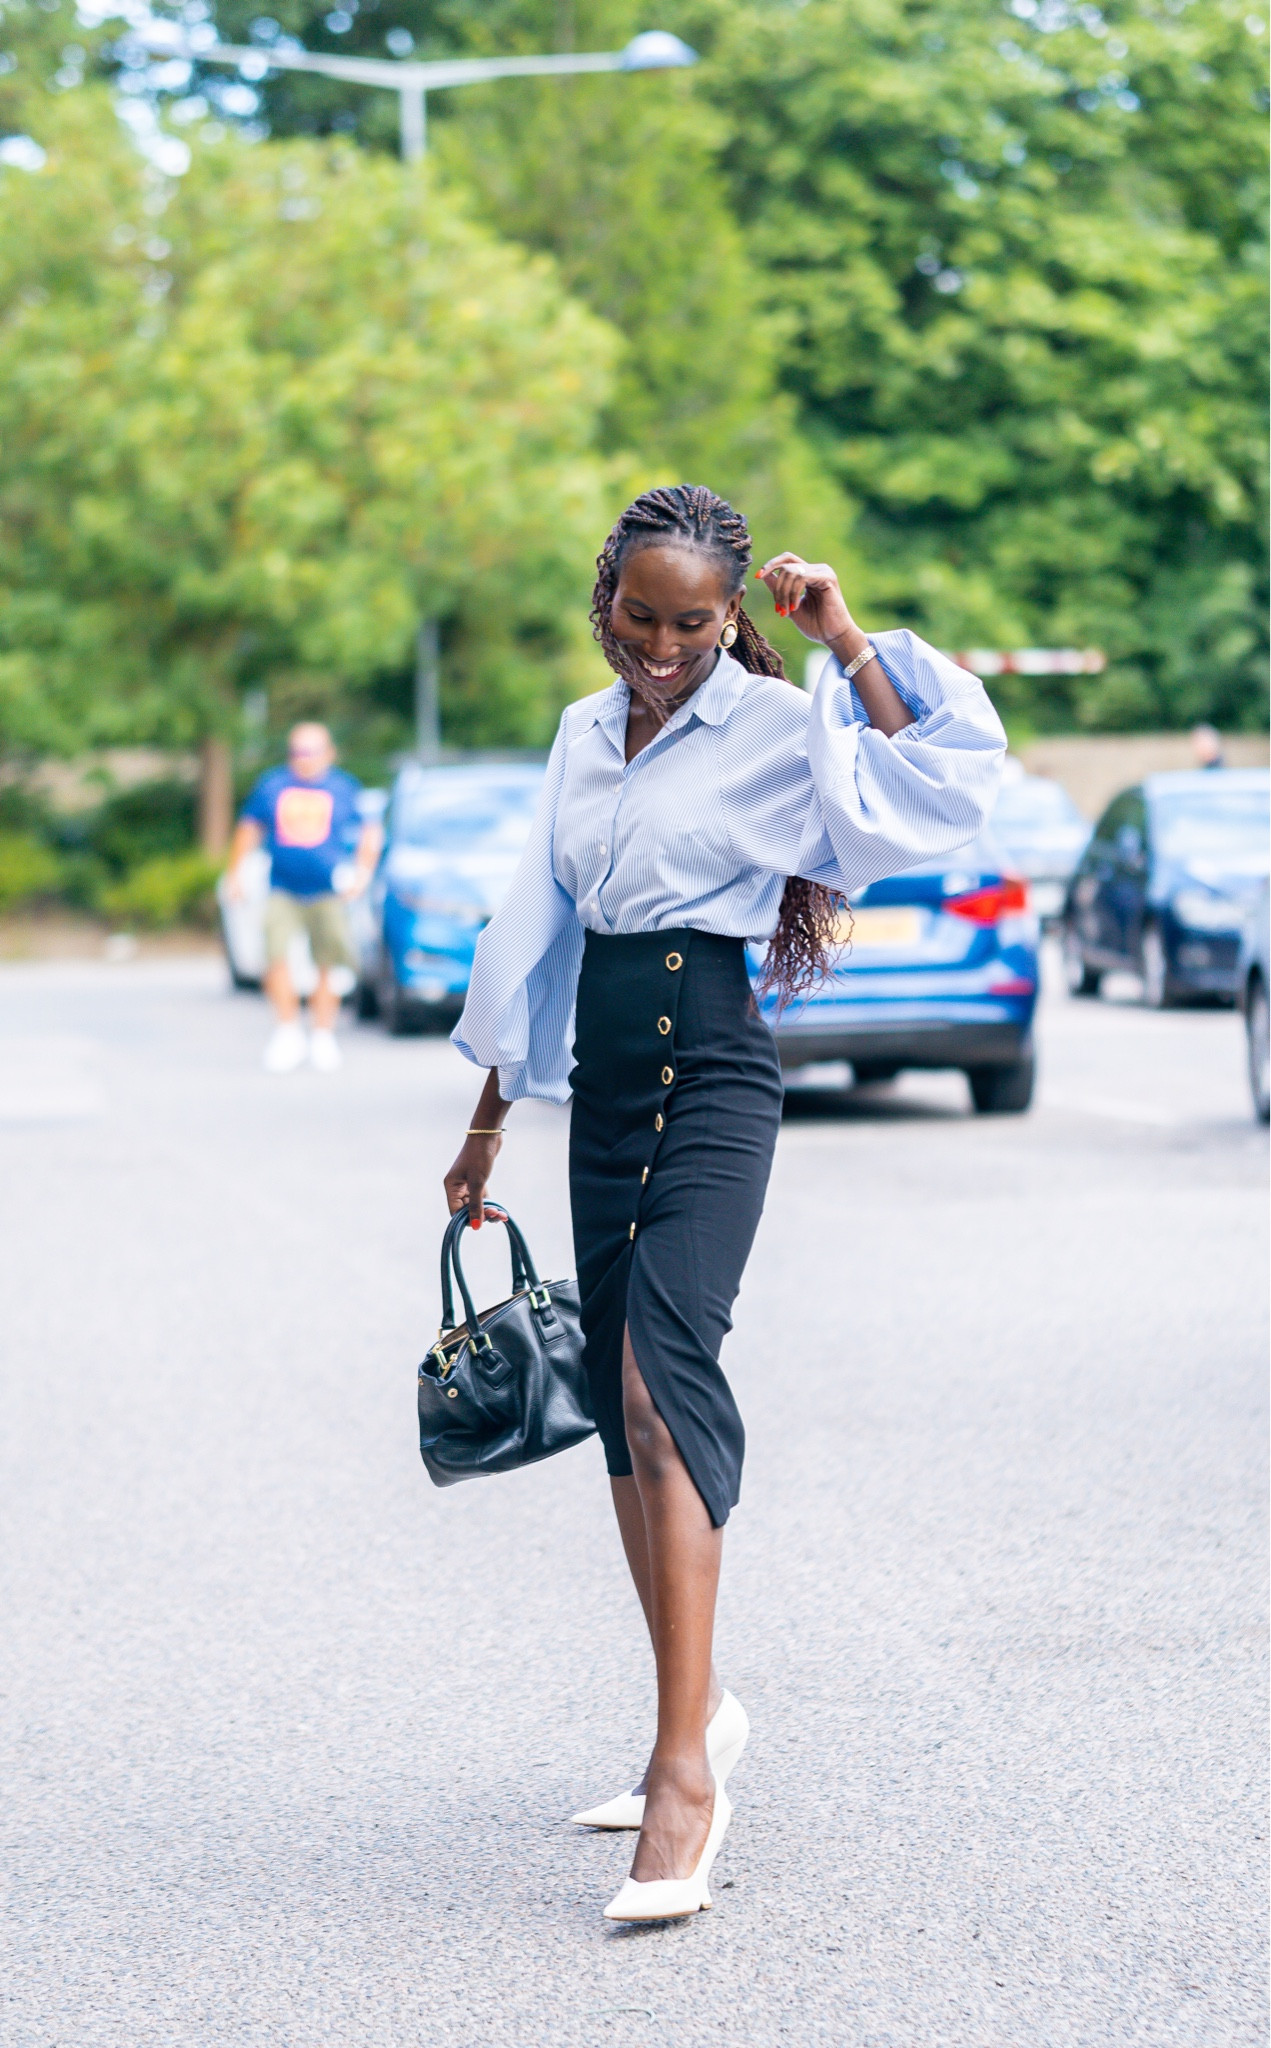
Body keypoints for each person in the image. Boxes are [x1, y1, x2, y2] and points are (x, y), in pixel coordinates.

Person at [443, 485, 1006, 1924]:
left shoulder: (775, 721)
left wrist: (845, 637)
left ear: (729, 617)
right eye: (641, 618)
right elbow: (540, 925)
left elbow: (942, 779)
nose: (663, 649)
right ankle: (689, 1710)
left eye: (695, 624)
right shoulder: (581, 731)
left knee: (654, 1385)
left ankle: (686, 1771)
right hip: (605, 1081)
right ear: (605, 597)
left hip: (713, 1075)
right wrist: (487, 1123)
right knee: (619, 1439)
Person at [226, 722, 381, 1073]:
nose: (303, 759)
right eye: (297, 751)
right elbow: (249, 827)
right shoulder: (273, 784)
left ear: (329, 752)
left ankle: (323, 1034)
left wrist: (362, 873)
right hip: (282, 887)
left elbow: (369, 831)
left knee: (328, 961)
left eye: (311, 751)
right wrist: (235, 874)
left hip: (327, 891)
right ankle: (287, 1031)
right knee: (275, 955)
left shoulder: (343, 787)